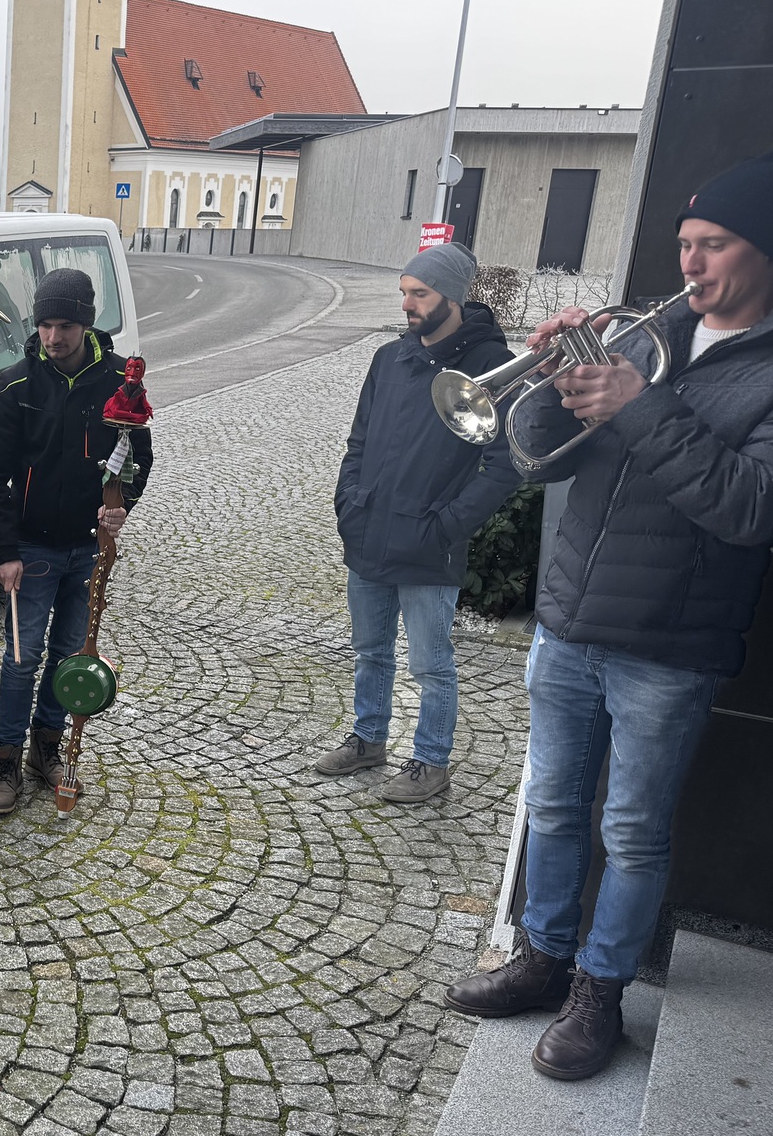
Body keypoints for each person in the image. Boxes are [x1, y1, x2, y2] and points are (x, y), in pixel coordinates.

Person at [445, 153, 773, 1081]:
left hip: (669, 647)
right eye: (685, 243)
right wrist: (554, 381)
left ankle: (600, 991)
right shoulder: (642, 339)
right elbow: (541, 459)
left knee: (631, 831)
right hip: (570, 622)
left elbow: (748, 508)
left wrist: (641, 403)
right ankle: (543, 957)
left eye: (714, 244)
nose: (691, 264)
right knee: (551, 807)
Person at [314, 242, 522, 803]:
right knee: (370, 650)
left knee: (430, 665)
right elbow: (359, 440)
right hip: (369, 530)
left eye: (420, 294)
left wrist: (447, 526)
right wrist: (348, 502)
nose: (407, 304)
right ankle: (368, 739)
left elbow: (504, 466)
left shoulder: (491, 366)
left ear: (452, 296)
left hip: (430, 543)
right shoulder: (389, 358)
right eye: (404, 292)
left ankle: (431, 762)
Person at [0, 268, 154, 814]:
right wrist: (5, 551)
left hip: (90, 548)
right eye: (45, 325)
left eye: (66, 327)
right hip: (32, 548)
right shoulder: (17, 384)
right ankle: (6, 762)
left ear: (87, 324)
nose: (54, 338)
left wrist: (122, 505)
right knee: (20, 659)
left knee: (70, 657)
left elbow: (139, 457)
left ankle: (45, 751)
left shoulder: (120, 381)